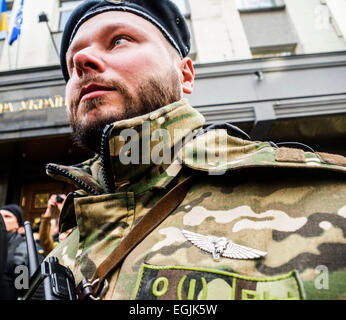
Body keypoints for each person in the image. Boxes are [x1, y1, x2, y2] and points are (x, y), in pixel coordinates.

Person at [45, 0, 346, 300]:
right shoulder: (61, 252)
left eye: (119, 40)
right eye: (71, 64)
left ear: (185, 74)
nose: (82, 60)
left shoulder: (329, 198)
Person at [0, 204, 28, 300]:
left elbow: (23, 288)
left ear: (18, 224)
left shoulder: (24, 245)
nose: (2, 220)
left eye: (7, 216)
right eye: (1, 216)